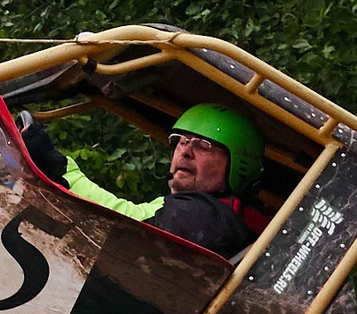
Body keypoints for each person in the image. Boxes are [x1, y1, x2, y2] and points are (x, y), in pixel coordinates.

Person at [41, 103, 265, 256]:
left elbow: (126, 222)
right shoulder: (205, 215)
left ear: (237, 165)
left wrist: (57, 166)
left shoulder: (206, 215)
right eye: (182, 141)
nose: (184, 152)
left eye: (203, 146)